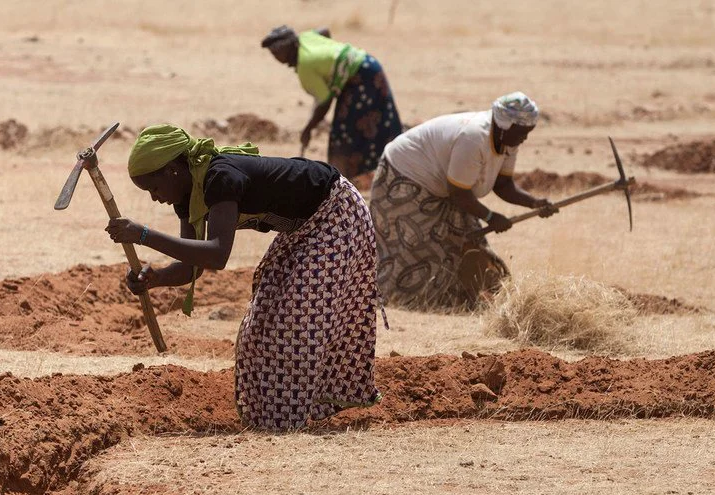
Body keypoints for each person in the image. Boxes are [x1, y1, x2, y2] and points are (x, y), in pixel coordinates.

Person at [104, 124, 381, 431]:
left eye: (153, 189)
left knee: (297, 319)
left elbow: (217, 254)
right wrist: (154, 278)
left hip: (336, 213)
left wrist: (143, 235)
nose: (155, 199)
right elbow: (191, 265)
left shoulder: (219, 178)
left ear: (172, 171)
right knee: (258, 329)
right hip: (303, 229)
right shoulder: (188, 194)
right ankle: (272, 420)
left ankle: (297, 416)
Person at [370, 92, 558, 310]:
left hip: (442, 185)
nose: (525, 138)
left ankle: (469, 296)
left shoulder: (507, 140)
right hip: (404, 174)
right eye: (522, 133)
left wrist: (534, 203)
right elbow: (458, 193)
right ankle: (398, 299)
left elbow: (503, 185)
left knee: (465, 236)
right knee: (417, 244)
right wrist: (490, 217)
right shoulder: (474, 138)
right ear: (506, 124)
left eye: (528, 133)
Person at [261, 25, 402, 184]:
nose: (276, 57)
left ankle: (345, 182)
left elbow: (325, 102)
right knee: (377, 124)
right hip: (368, 64)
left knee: (346, 132)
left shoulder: (306, 67)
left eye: (277, 52)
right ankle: (385, 170)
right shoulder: (306, 37)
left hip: (361, 79)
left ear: (290, 47)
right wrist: (332, 58)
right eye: (273, 53)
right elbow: (325, 31)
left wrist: (308, 128)